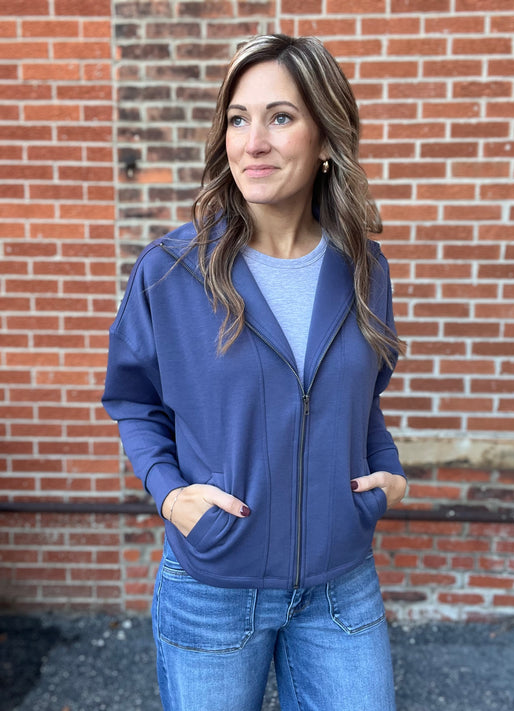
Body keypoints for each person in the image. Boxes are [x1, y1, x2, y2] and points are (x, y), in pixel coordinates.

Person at [102, 33, 407, 711]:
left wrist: (384, 474)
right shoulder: (171, 270)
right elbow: (133, 401)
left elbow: (362, 396)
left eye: (281, 117)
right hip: (213, 584)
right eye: (238, 119)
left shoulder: (364, 269)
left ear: (325, 137)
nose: (253, 143)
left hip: (339, 584)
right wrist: (170, 495)